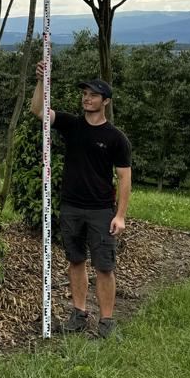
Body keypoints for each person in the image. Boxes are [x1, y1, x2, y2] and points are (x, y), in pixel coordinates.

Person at [30, 60, 132, 338]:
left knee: (104, 266)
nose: (87, 98)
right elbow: (38, 111)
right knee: (75, 261)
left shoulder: (116, 138)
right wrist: (41, 80)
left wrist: (120, 215)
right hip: (71, 207)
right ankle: (79, 313)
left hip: (100, 210)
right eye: (85, 94)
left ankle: (107, 322)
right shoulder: (71, 125)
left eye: (93, 95)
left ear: (106, 102)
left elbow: (124, 178)